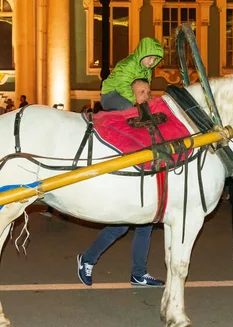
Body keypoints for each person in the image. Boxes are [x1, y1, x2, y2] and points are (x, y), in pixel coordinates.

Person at [77, 37, 165, 287]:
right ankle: (88, 259)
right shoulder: (129, 66)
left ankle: (138, 273)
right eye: (149, 57)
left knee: (142, 226)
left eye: (154, 60)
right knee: (120, 227)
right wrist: (138, 102)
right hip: (113, 94)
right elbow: (128, 91)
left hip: (142, 183)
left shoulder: (144, 72)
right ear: (142, 54)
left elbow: (142, 91)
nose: (151, 62)